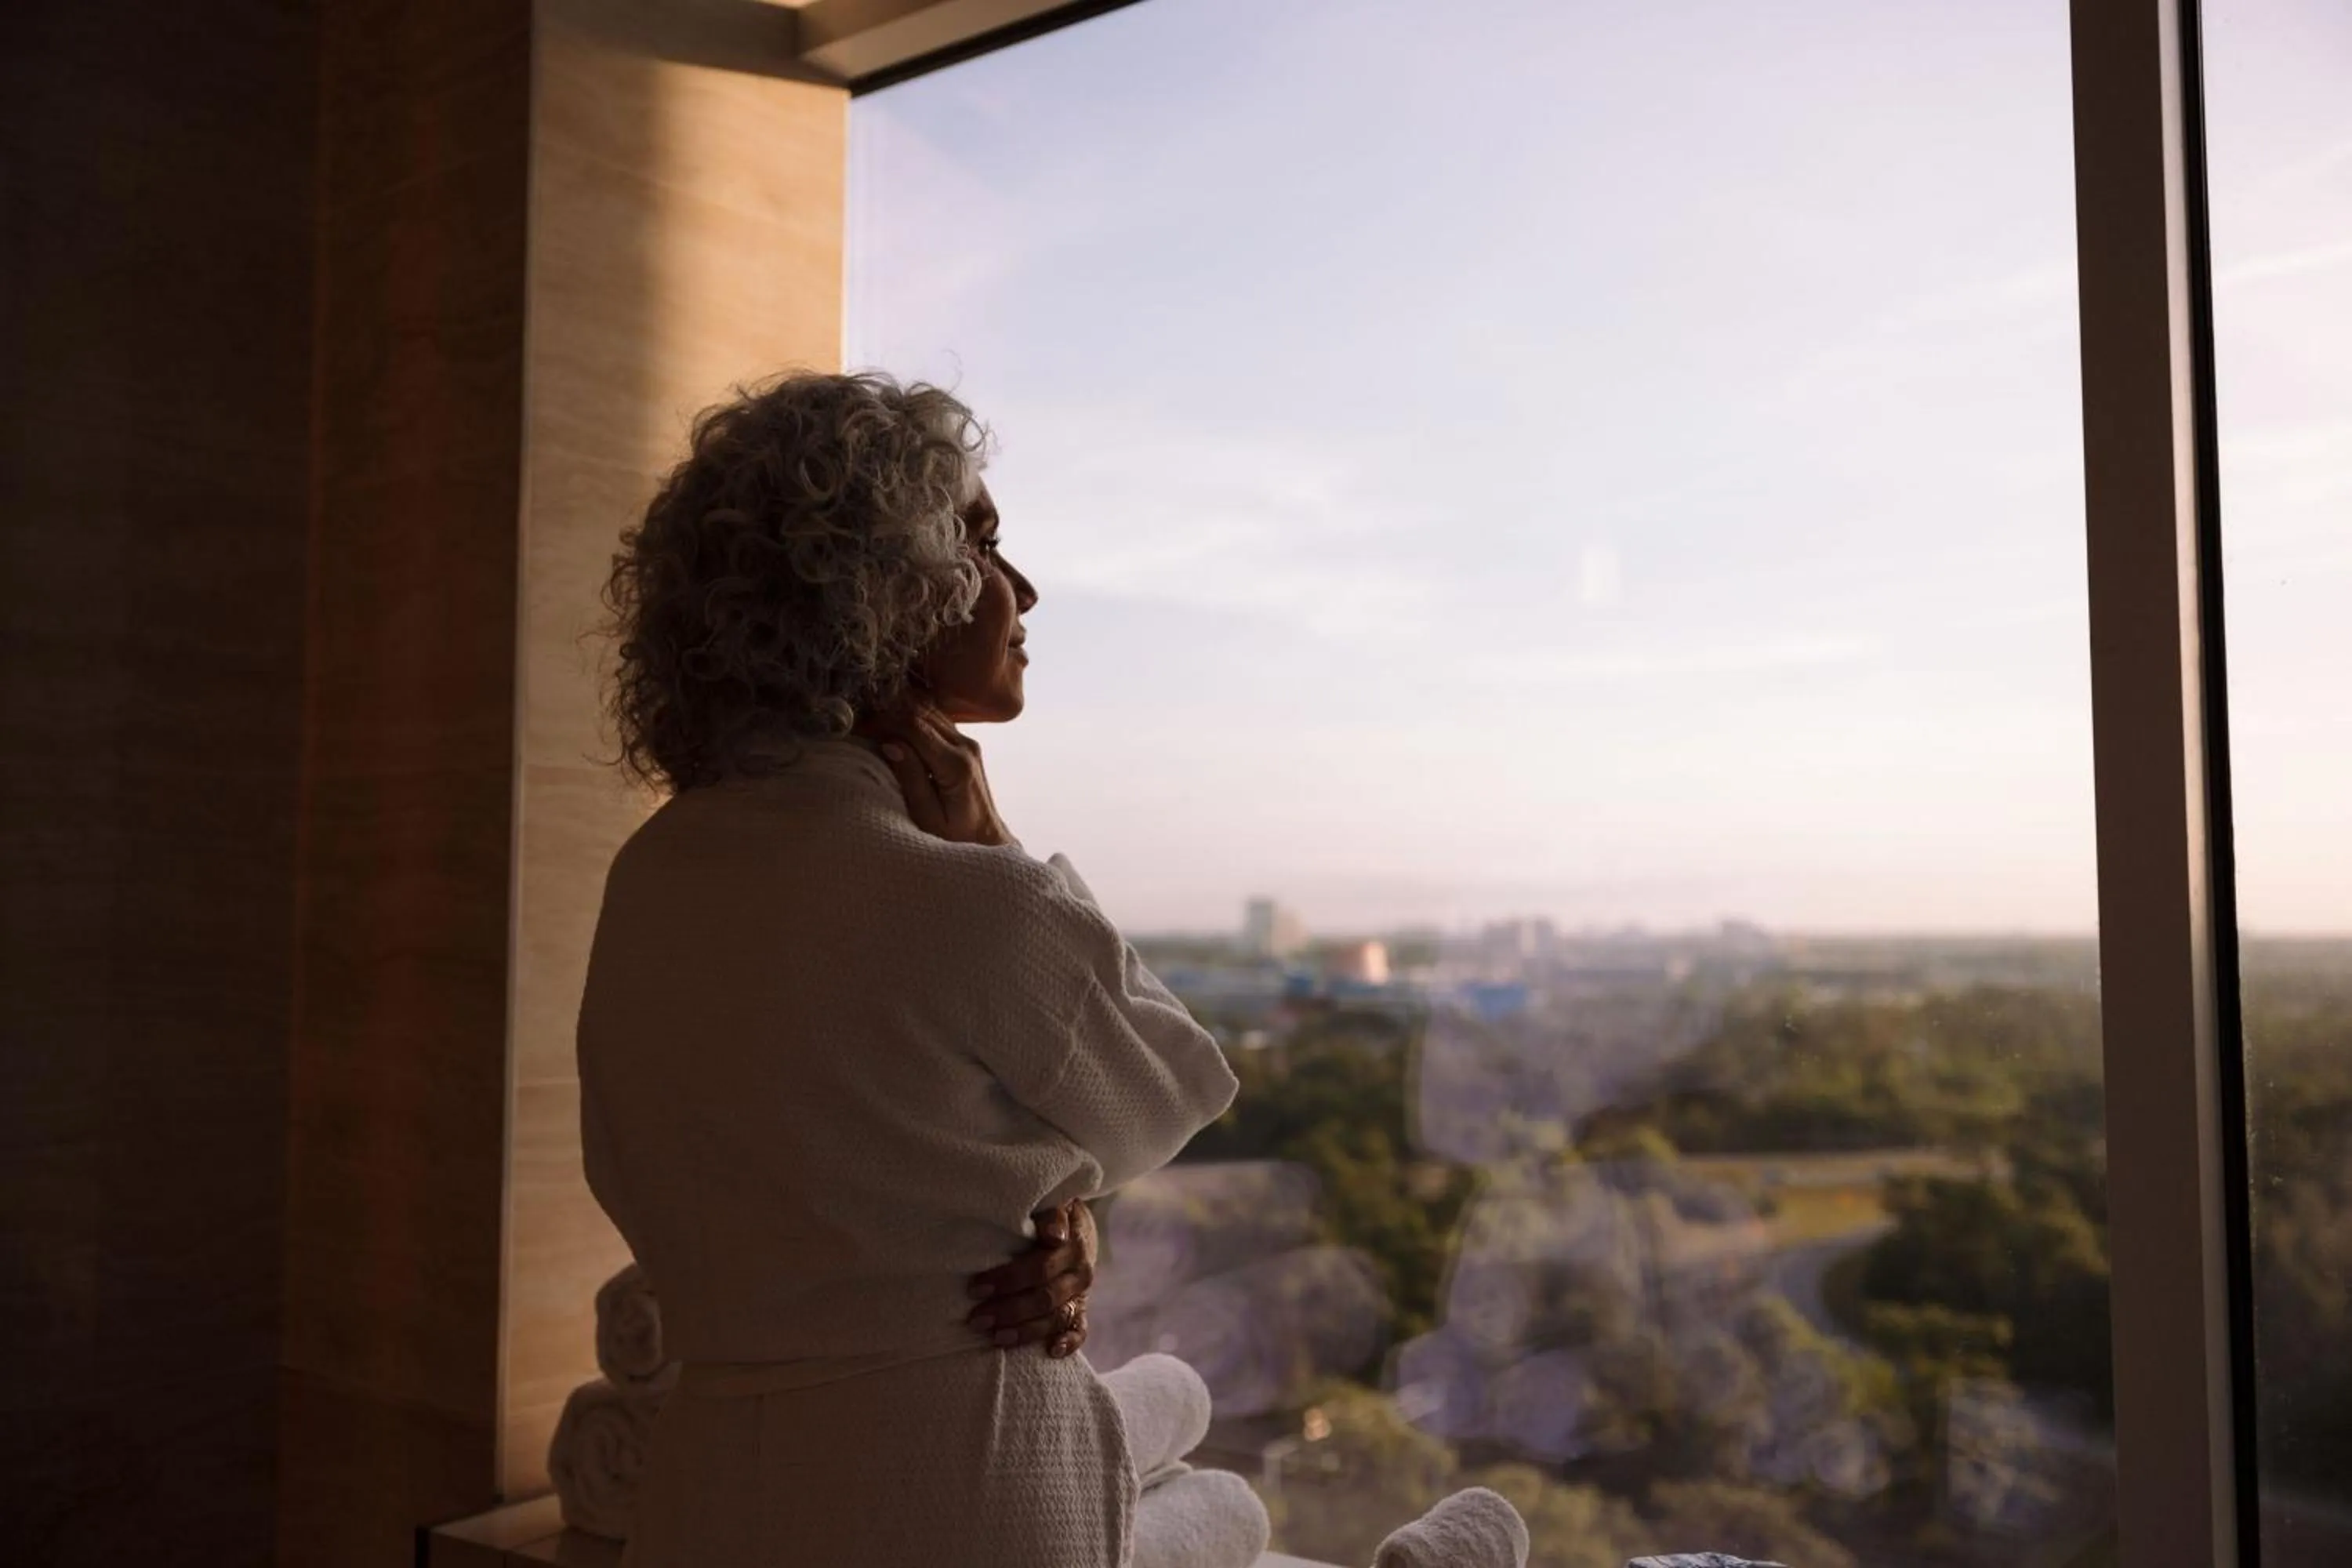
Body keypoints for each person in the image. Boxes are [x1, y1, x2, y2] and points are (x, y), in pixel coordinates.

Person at [575, 371, 1242, 1565]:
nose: (1022, 587)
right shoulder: (965, 895)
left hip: (709, 1495)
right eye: (981, 543)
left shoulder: (653, 873)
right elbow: (1167, 1099)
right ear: (883, 592)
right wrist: (993, 844)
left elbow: (832, 1145)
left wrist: (1030, 1211)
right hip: (961, 1487)